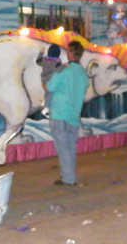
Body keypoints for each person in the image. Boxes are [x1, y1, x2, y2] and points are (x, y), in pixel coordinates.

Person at [46, 40, 89, 186]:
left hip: (60, 113)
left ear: (70, 53)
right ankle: (69, 176)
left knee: (63, 148)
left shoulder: (63, 69)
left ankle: (69, 178)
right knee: (70, 147)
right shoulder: (83, 73)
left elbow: (50, 87)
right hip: (74, 115)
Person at [37, 43, 66, 115]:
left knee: (48, 93)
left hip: (44, 80)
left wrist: (41, 52)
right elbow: (60, 69)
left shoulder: (44, 60)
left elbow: (38, 61)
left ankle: (45, 104)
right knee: (51, 93)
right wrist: (66, 66)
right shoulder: (57, 62)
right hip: (52, 81)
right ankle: (47, 107)